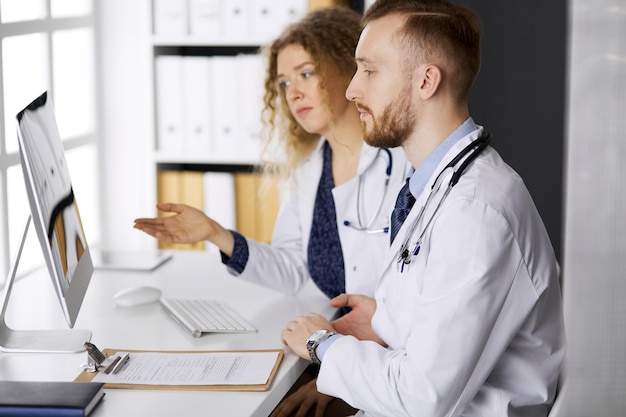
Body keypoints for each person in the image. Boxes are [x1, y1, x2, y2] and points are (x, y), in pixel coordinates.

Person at [280, 1, 567, 416]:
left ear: (426, 81)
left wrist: (320, 344)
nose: (351, 89)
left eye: (370, 70)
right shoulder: (437, 184)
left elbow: (421, 396)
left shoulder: (477, 211)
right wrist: (384, 321)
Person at [133, 6, 409, 417]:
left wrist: (333, 381)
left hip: (390, 362)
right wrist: (215, 234)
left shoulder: (403, 164)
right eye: (283, 82)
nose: (293, 91)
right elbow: (292, 268)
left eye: (306, 73)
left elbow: (413, 305)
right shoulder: (309, 169)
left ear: (347, 69)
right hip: (341, 349)